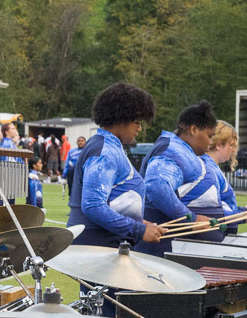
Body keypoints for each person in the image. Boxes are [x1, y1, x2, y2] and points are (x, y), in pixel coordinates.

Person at [67, 83, 164, 248]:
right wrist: (138, 230)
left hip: (103, 242)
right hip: (97, 244)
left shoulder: (109, 146)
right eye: (137, 122)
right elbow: (93, 205)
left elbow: (113, 199)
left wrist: (139, 222)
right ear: (121, 119)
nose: (139, 128)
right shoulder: (105, 152)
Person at [140, 101, 219, 254]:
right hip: (158, 245)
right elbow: (156, 187)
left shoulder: (175, 147)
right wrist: (192, 219)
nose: (211, 141)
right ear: (194, 130)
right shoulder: (174, 151)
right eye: (209, 136)